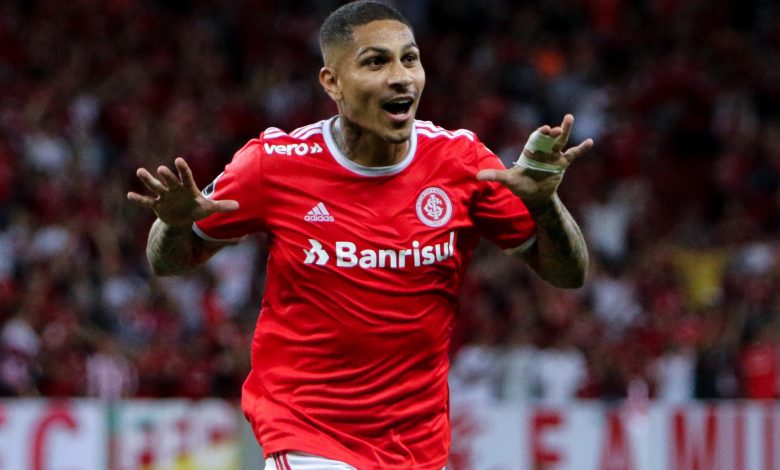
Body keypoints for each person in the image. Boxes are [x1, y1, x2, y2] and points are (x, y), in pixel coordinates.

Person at [127, 1, 591, 469]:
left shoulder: (462, 163)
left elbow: (568, 274)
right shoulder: (274, 164)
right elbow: (168, 261)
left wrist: (544, 204)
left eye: (410, 59)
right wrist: (175, 222)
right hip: (309, 437)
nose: (401, 77)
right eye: (376, 62)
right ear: (332, 82)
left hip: (418, 450)